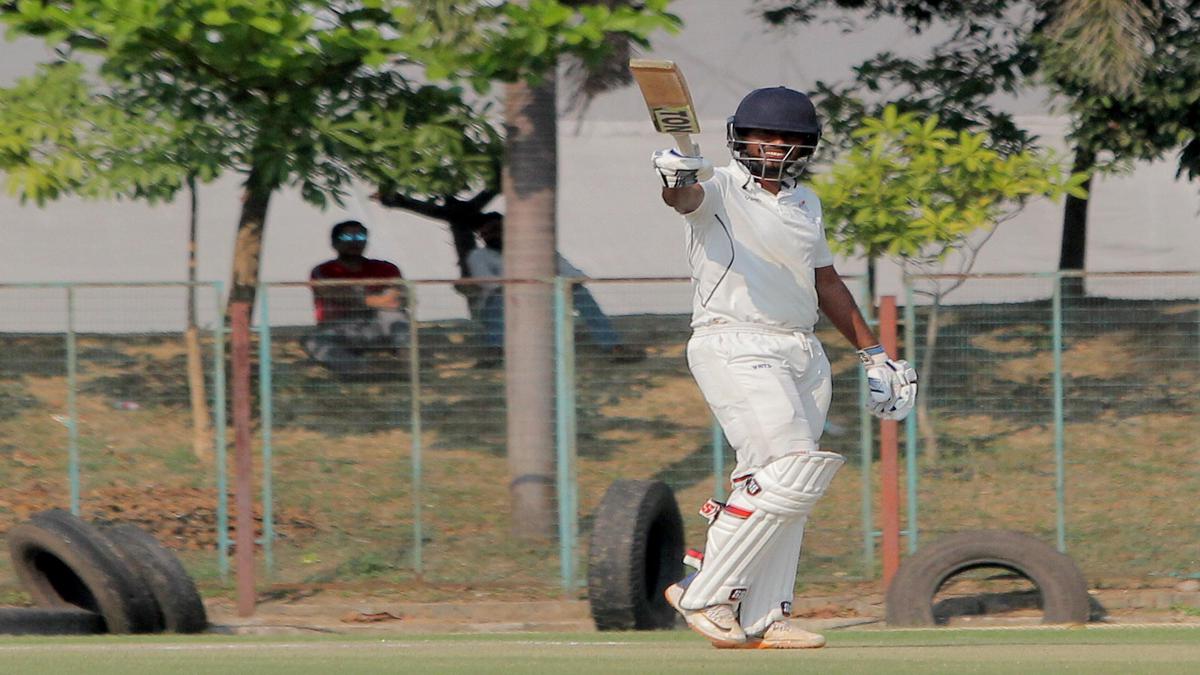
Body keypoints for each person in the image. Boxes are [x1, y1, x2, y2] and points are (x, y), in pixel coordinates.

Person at [650, 86, 918, 649]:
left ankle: (764, 614)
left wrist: (873, 353)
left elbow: (826, 282)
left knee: (787, 485)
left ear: (805, 146)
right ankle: (703, 590)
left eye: (788, 138)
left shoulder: (806, 203)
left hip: (802, 350)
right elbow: (685, 200)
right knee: (790, 465)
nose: (775, 146)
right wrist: (675, 178)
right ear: (740, 138)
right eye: (764, 136)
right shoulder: (718, 186)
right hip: (735, 342)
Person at [465, 214, 645, 367]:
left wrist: (570, 282)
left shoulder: (536, 248)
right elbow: (489, 283)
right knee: (498, 299)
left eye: (496, 229)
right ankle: (495, 350)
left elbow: (569, 271)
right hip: (510, 298)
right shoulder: (479, 256)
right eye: (487, 232)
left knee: (579, 292)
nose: (492, 235)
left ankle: (614, 346)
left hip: (545, 294)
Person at [303, 220, 410, 379]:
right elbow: (331, 293)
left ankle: (409, 367)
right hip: (339, 329)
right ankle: (363, 371)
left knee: (396, 317)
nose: (355, 241)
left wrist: (358, 298)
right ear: (334, 243)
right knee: (313, 341)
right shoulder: (323, 271)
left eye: (360, 236)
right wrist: (378, 300)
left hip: (379, 326)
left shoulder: (387, 268)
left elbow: (400, 298)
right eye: (347, 237)